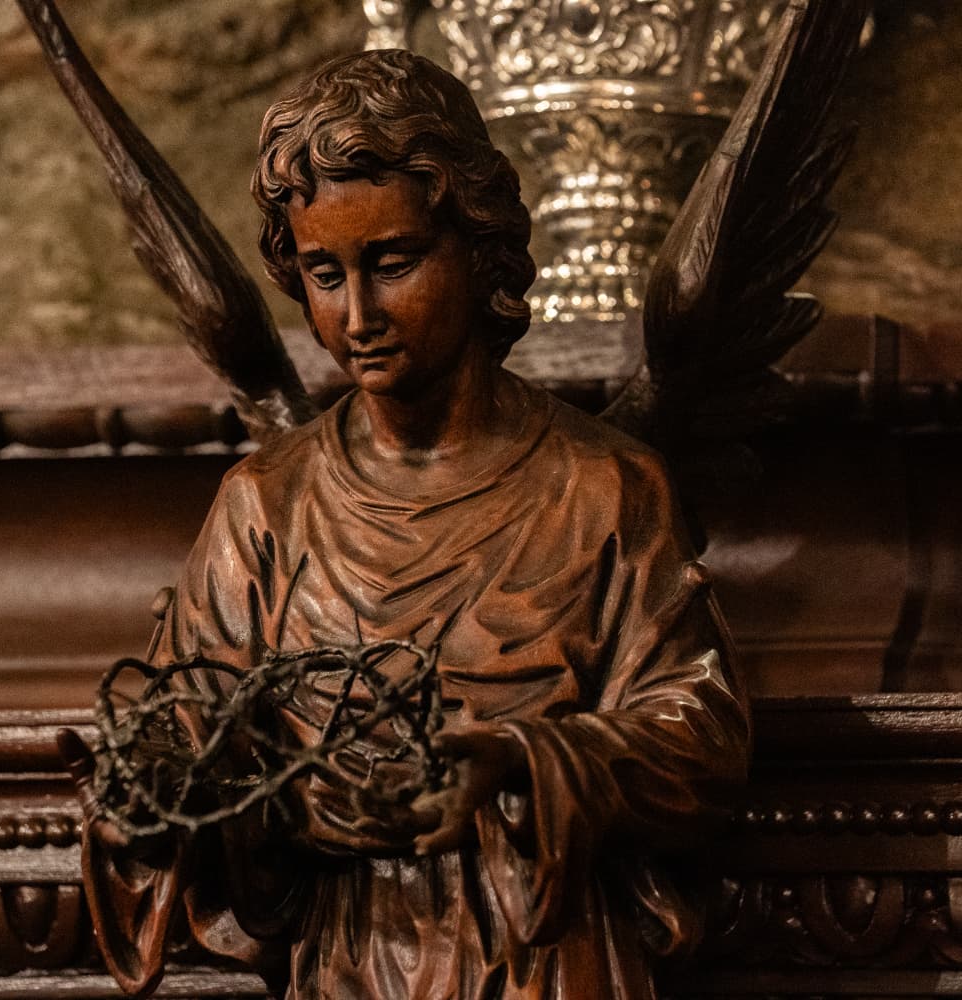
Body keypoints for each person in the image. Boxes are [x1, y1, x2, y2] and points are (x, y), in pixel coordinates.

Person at [65, 48, 749, 1000]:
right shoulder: (267, 503)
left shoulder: (601, 485)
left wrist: (520, 761)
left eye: (393, 263)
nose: (358, 316)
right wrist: (146, 793)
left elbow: (700, 732)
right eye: (323, 274)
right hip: (349, 954)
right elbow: (193, 725)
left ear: (478, 248)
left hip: (545, 954)